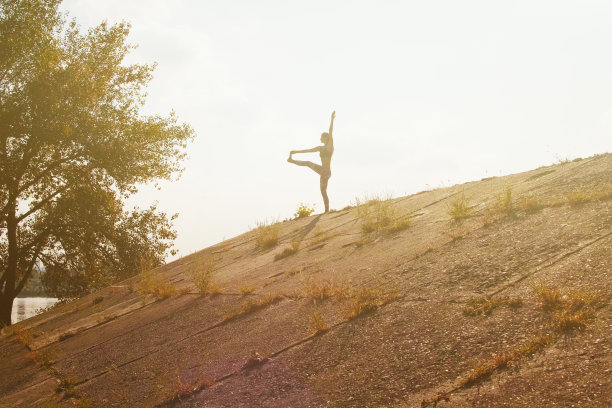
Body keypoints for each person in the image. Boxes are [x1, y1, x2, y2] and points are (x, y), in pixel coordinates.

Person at [288, 111, 335, 213]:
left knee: (323, 191)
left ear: (326, 138)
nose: (320, 138)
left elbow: (330, 131)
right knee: (308, 163)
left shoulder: (329, 147)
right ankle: (291, 161)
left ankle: (327, 211)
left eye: (321, 137)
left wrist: (332, 119)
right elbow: (308, 150)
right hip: (322, 170)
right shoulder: (320, 148)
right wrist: (296, 151)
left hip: (326, 172)